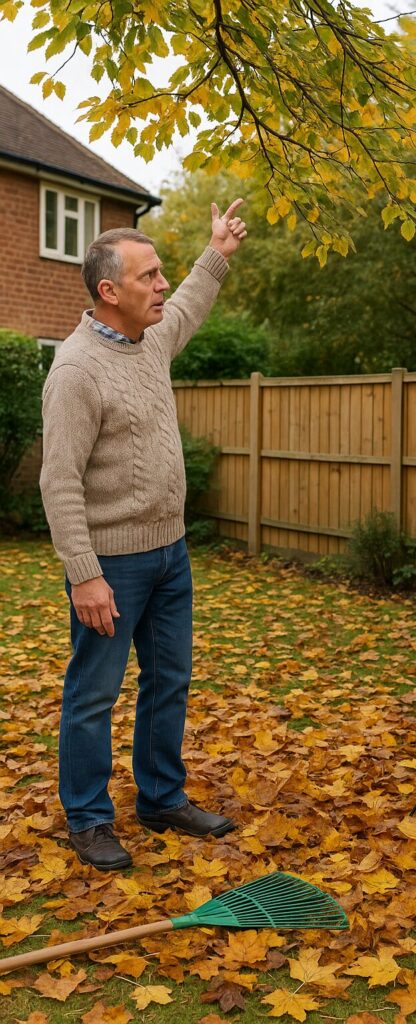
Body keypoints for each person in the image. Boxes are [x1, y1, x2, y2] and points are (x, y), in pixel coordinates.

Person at [40, 201, 248, 871]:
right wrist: (84, 573)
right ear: (109, 292)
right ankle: (89, 818)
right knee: (93, 694)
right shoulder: (75, 371)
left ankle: (161, 797)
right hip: (112, 566)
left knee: (169, 681)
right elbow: (58, 481)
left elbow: (187, 305)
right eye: (149, 276)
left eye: (161, 274)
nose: (162, 285)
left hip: (169, 554)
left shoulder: (151, 336)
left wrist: (216, 251)